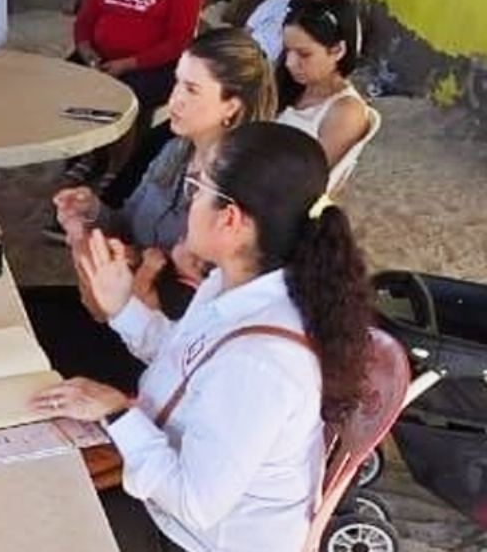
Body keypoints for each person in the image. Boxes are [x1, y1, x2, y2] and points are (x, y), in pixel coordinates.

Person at [34, 122, 374, 552]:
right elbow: (188, 359)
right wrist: (122, 307)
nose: (189, 199)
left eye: (197, 186)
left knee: (31, 518)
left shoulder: (261, 362)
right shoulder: (238, 284)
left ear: (230, 218)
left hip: (192, 538)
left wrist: (116, 411)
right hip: (164, 506)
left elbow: (194, 504)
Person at [29, 28, 276, 389]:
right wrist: (93, 211)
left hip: (161, 346)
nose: (174, 99)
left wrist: (119, 254)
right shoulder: (175, 149)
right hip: (122, 306)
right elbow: (127, 221)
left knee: (32, 358)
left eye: (191, 90)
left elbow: (196, 292)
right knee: (20, 318)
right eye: (177, 83)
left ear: (231, 106)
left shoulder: (240, 191)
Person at [70, 0, 205, 188]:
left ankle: (118, 168)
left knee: (126, 96)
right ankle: (88, 155)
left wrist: (129, 63)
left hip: (153, 64)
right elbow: (87, 16)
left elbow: (179, 39)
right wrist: (86, 49)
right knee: (69, 81)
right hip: (100, 57)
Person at [275, 0, 370, 173]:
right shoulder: (292, 86)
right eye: (287, 50)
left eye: (304, 54)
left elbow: (309, 180)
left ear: (338, 50)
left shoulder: (345, 112)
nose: (289, 63)